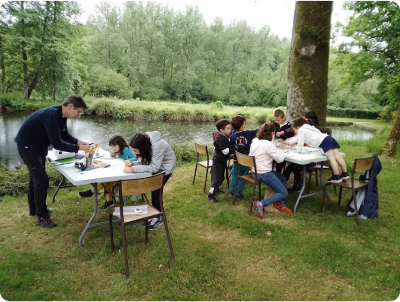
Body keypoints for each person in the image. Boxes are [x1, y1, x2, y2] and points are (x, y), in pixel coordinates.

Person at [14, 94, 92, 228]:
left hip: (38, 148)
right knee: (41, 181)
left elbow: (64, 135)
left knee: (35, 180)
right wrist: (80, 148)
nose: (79, 115)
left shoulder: (62, 116)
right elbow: (57, 144)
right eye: (78, 112)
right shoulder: (52, 115)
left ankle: (35, 210)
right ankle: (42, 217)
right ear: (70, 106)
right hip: (28, 147)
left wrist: (79, 142)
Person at [124, 131, 176, 230]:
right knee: (154, 190)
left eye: (135, 150)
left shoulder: (158, 146)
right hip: (159, 165)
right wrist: (134, 164)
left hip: (166, 167)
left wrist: (133, 169)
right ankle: (154, 214)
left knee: (156, 191)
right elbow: (146, 159)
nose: (134, 153)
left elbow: (154, 167)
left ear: (142, 147)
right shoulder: (146, 143)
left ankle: (158, 217)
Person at [78, 134, 137, 209]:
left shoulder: (126, 150)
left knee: (107, 184)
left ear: (120, 144)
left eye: (114, 146)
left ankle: (92, 192)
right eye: (112, 146)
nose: (113, 148)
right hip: (119, 171)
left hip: (126, 174)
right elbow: (112, 152)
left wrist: (129, 160)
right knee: (107, 183)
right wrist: (112, 154)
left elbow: (136, 158)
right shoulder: (117, 150)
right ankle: (109, 201)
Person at [249, 123, 292, 218]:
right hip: (264, 173)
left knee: (283, 178)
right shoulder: (269, 144)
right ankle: (261, 204)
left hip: (255, 172)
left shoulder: (255, 141)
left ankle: (277, 201)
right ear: (272, 133)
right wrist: (282, 149)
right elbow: (280, 159)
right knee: (284, 193)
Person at [289, 117, 349, 183]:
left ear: (297, 127)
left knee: (332, 159)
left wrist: (298, 151)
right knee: (338, 157)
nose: (295, 131)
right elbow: (297, 138)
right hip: (329, 138)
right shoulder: (310, 128)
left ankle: (336, 177)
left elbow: (300, 141)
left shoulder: (301, 130)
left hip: (324, 141)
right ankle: (345, 174)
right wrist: (287, 142)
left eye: (294, 130)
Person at [228, 114, 258, 199]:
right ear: (242, 126)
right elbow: (258, 130)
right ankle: (238, 194)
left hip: (236, 160)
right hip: (245, 161)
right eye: (244, 123)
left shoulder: (232, 136)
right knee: (242, 178)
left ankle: (231, 191)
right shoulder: (249, 134)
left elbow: (231, 147)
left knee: (235, 176)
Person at [207, 119, 235, 202]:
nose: (230, 130)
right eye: (228, 129)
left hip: (222, 161)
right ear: (221, 130)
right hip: (218, 162)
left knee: (221, 178)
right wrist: (234, 147)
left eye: (230, 128)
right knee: (216, 180)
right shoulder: (221, 139)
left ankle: (216, 189)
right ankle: (210, 196)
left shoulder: (223, 137)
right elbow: (225, 151)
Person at [272, 109, 294, 173]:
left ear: (283, 118)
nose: (277, 122)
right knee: (272, 158)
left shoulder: (289, 126)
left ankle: (278, 174)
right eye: (275, 120)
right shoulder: (274, 125)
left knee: (280, 160)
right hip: (276, 146)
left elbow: (291, 138)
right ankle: (270, 173)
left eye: (278, 120)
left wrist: (283, 140)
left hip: (285, 147)